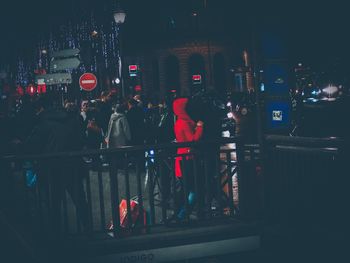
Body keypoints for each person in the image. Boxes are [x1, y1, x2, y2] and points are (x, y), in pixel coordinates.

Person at [172, 97, 204, 221]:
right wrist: (200, 127)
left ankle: (181, 213)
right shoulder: (185, 123)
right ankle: (182, 214)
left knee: (188, 188)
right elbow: (193, 140)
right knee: (194, 189)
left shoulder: (180, 121)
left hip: (182, 158)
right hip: (187, 159)